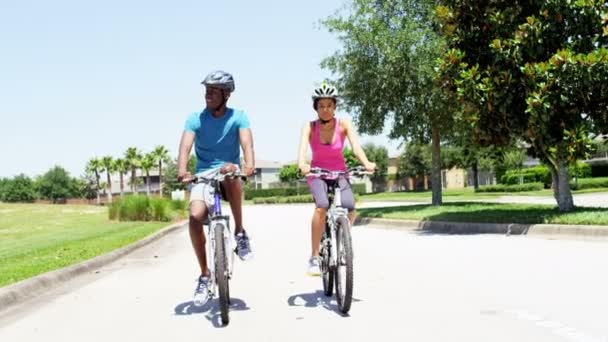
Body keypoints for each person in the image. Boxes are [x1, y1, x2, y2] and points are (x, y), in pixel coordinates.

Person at [177, 70, 255, 306]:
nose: (207, 95)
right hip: (203, 175)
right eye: (206, 90)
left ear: (226, 94)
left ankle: (240, 233)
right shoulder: (195, 119)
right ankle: (204, 274)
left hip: (228, 172)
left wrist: (248, 165)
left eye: (213, 91)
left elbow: (247, 144)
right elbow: (185, 148)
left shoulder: (239, 116)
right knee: (195, 217)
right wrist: (183, 170)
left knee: (232, 175)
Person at [297, 83, 376, 276]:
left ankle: (343, 238)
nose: (326, 109)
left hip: (340, 172)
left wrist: (366, 162)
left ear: (335, 106)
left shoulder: (344, 124)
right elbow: (301, 152)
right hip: (317, 173)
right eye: (321, 105)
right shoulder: (309, 126)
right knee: (321, 206)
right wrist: (302, 164)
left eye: (329, 105)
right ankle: (314, 256)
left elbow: (356, 147)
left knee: (350, 207)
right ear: (316, 107)